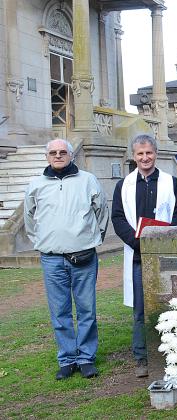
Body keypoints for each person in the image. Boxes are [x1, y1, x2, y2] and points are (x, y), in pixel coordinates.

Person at [24, 138, 109, 380]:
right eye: (53, 152)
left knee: (86, 310)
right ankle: (67, 358)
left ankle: (86, 358)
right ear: (47, 157)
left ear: (71, 155)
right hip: (51, 259)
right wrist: (42, 241)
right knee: (59, 312)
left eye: (63, 152)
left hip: (83, 256)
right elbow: (30, 218)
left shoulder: (87, 180)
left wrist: (92, 239)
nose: (58, 155)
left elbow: (101, 211)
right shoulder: (35, 184)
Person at [111, 134, 177, 378]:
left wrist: (162, 241)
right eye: (140, 154)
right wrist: (137, 242)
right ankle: (142, 357)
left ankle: (170, 352)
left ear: (156, 153)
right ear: (133, 156)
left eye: (149, 153)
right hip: (138, 255)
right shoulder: (124, 185)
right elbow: (118, 218)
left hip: (164, 253)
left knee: (170, 303)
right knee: (140, 309)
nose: (145, 158)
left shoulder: (170, 182)